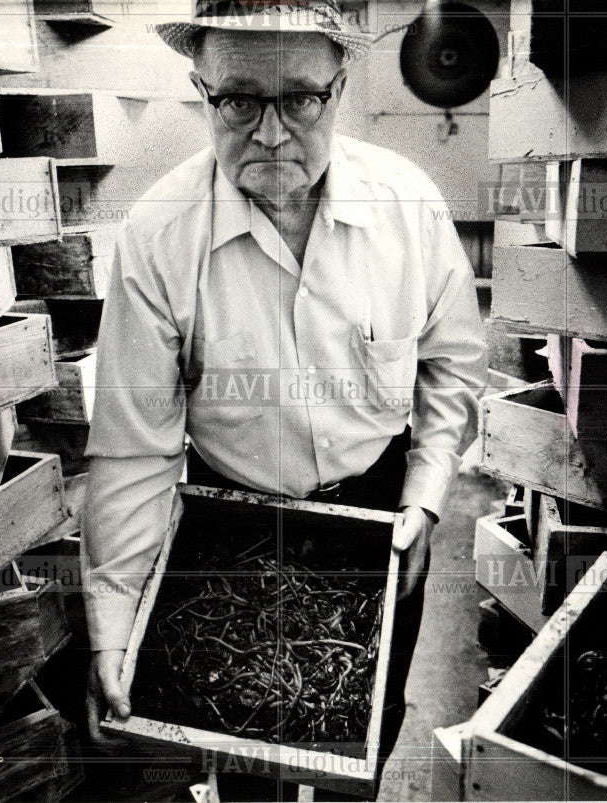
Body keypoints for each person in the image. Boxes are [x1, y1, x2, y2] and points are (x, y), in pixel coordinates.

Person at [83, 0, 488, 794]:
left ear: (340, 87)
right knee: (241, 735)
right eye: (237, 99)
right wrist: (111, 623)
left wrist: (427, 498)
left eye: (300, 98)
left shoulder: (409, 209)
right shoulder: (159, 236)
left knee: (358, 735)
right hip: (229, 519)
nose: (269, 132)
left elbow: (452, 365)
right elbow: (135, 447)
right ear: (202, 90)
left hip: (381, 512)